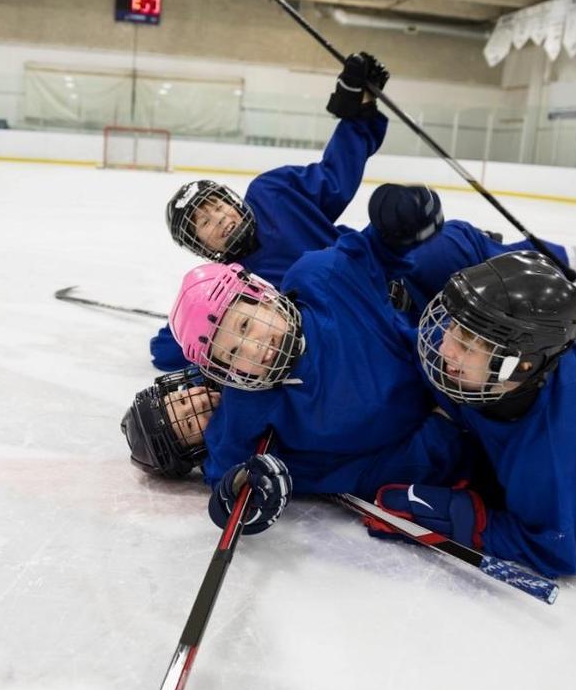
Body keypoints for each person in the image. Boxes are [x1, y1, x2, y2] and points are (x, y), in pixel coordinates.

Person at [364, 245, 576, 577]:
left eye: (466, 345)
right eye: (453, 328)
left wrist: (462, 518)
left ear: (522, 366)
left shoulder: (563, 449)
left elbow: (558, 548)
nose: (444, 346)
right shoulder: (479, 345)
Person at [166, 209, 468, 534]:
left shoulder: (321, 279)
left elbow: (370, 252)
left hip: (464, 391)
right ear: (224, 369)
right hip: (435, 461)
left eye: (245, 324)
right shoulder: (248, 400)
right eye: (234, 352)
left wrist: (393, 222)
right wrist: (235, 494)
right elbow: (226, 470)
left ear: (263, 298)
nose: (254, 348)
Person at [150, 53, 392, 371]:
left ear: (232, 200)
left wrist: (357, 113)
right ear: (201, 246)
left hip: (383, 276)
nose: (219, 217)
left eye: (218, 205)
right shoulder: (230, 286)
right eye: (204, 222)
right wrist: (191, 326)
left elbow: (335, 177)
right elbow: (164, 351)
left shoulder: (272, 193)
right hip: (355, 334)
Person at [121, 367, 221, 478]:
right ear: (196, 452)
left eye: (183, 400)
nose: (199, 402)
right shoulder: (228, 454)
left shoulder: (206, 373)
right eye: (189, 424)